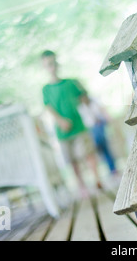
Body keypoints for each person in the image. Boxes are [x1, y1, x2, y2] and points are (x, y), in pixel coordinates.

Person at [41, 50, 102, 198]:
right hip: (62, 131)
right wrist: (60, 121)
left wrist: (92, 112)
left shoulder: (71, 82)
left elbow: (85, 99)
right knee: (72, 160)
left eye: (54, 62)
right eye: (49, 64)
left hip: (78, 126)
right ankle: (82, 186)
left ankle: (97, 179)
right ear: (44, 67)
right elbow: (48, 107)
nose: (52, 66)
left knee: (88, 153)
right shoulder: (46, 89)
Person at [79, 95, 119, 176]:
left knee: (104, 148)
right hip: (91, 129)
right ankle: (112, 169)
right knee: (101, 149)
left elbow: (103, 112)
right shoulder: (80, 107)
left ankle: (113, 169)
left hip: (100, 125)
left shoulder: (94, 101)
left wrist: (107, 119)